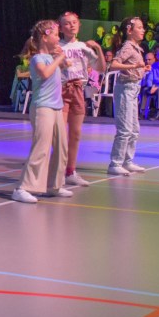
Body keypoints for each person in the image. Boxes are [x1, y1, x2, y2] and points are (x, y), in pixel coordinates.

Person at [11, 20, 71, 204]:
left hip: (56, 107)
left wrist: (61, 58)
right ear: (45, 37)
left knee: (61, 147)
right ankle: (23, 187)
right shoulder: (37, 58)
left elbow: (66, 67)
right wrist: (58, 59)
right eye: (56, 35)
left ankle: (54, 185)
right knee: (41, 148)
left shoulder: (52, 57)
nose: (58, 38)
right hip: (42, 107)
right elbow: (45, 73)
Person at [57, 11, 105, 187]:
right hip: (61, 90)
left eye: (74, 22)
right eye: (67, 23)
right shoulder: (57, 46)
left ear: (79, 25)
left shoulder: (84, 47)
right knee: (60, 134)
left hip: (78, 90)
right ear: (60, 28)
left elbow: (100, 68)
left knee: (76, 134)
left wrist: (98, 48)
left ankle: (71, 171)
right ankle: (58, 172)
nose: (71, 25)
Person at [107, 17, 148, 176]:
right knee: (125, 129)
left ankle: (127, 161)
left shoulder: (136, 48)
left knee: (134, 129)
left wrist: (142, 69)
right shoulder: (127, 47)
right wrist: (134, 65)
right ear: (130, 30)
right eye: (139, 27)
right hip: (125, 89)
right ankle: (115, 163)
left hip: (134, 88)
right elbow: (114, 65)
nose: (143, 30)